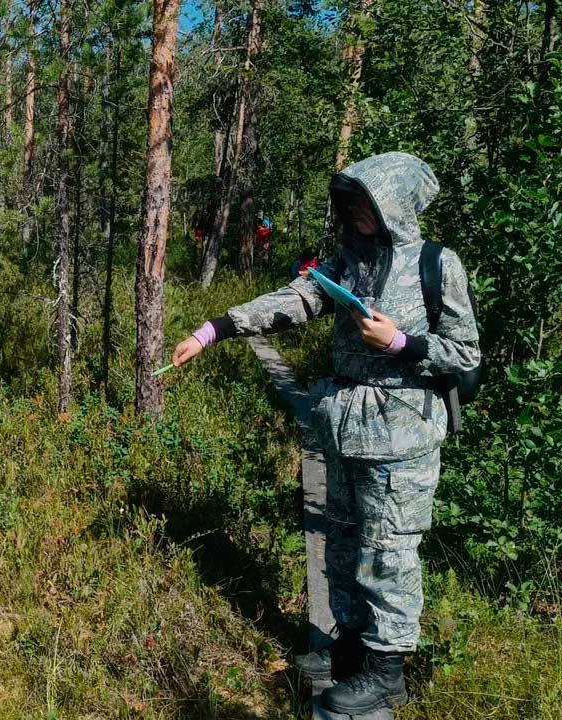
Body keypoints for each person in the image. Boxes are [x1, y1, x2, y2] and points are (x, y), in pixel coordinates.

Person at [170, 152, 480, 714]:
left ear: (396, 205)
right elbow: (295, 299)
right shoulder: (346, 263)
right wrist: (215, 328)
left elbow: (465, 356)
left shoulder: (438, 264)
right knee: (341, 544)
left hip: (403, 437)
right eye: (351, 202)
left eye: (367, 202)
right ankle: (351, 650)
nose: (357, 212)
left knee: (388, 551)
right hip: (344, 432)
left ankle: (386, 670)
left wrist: (401, 344)